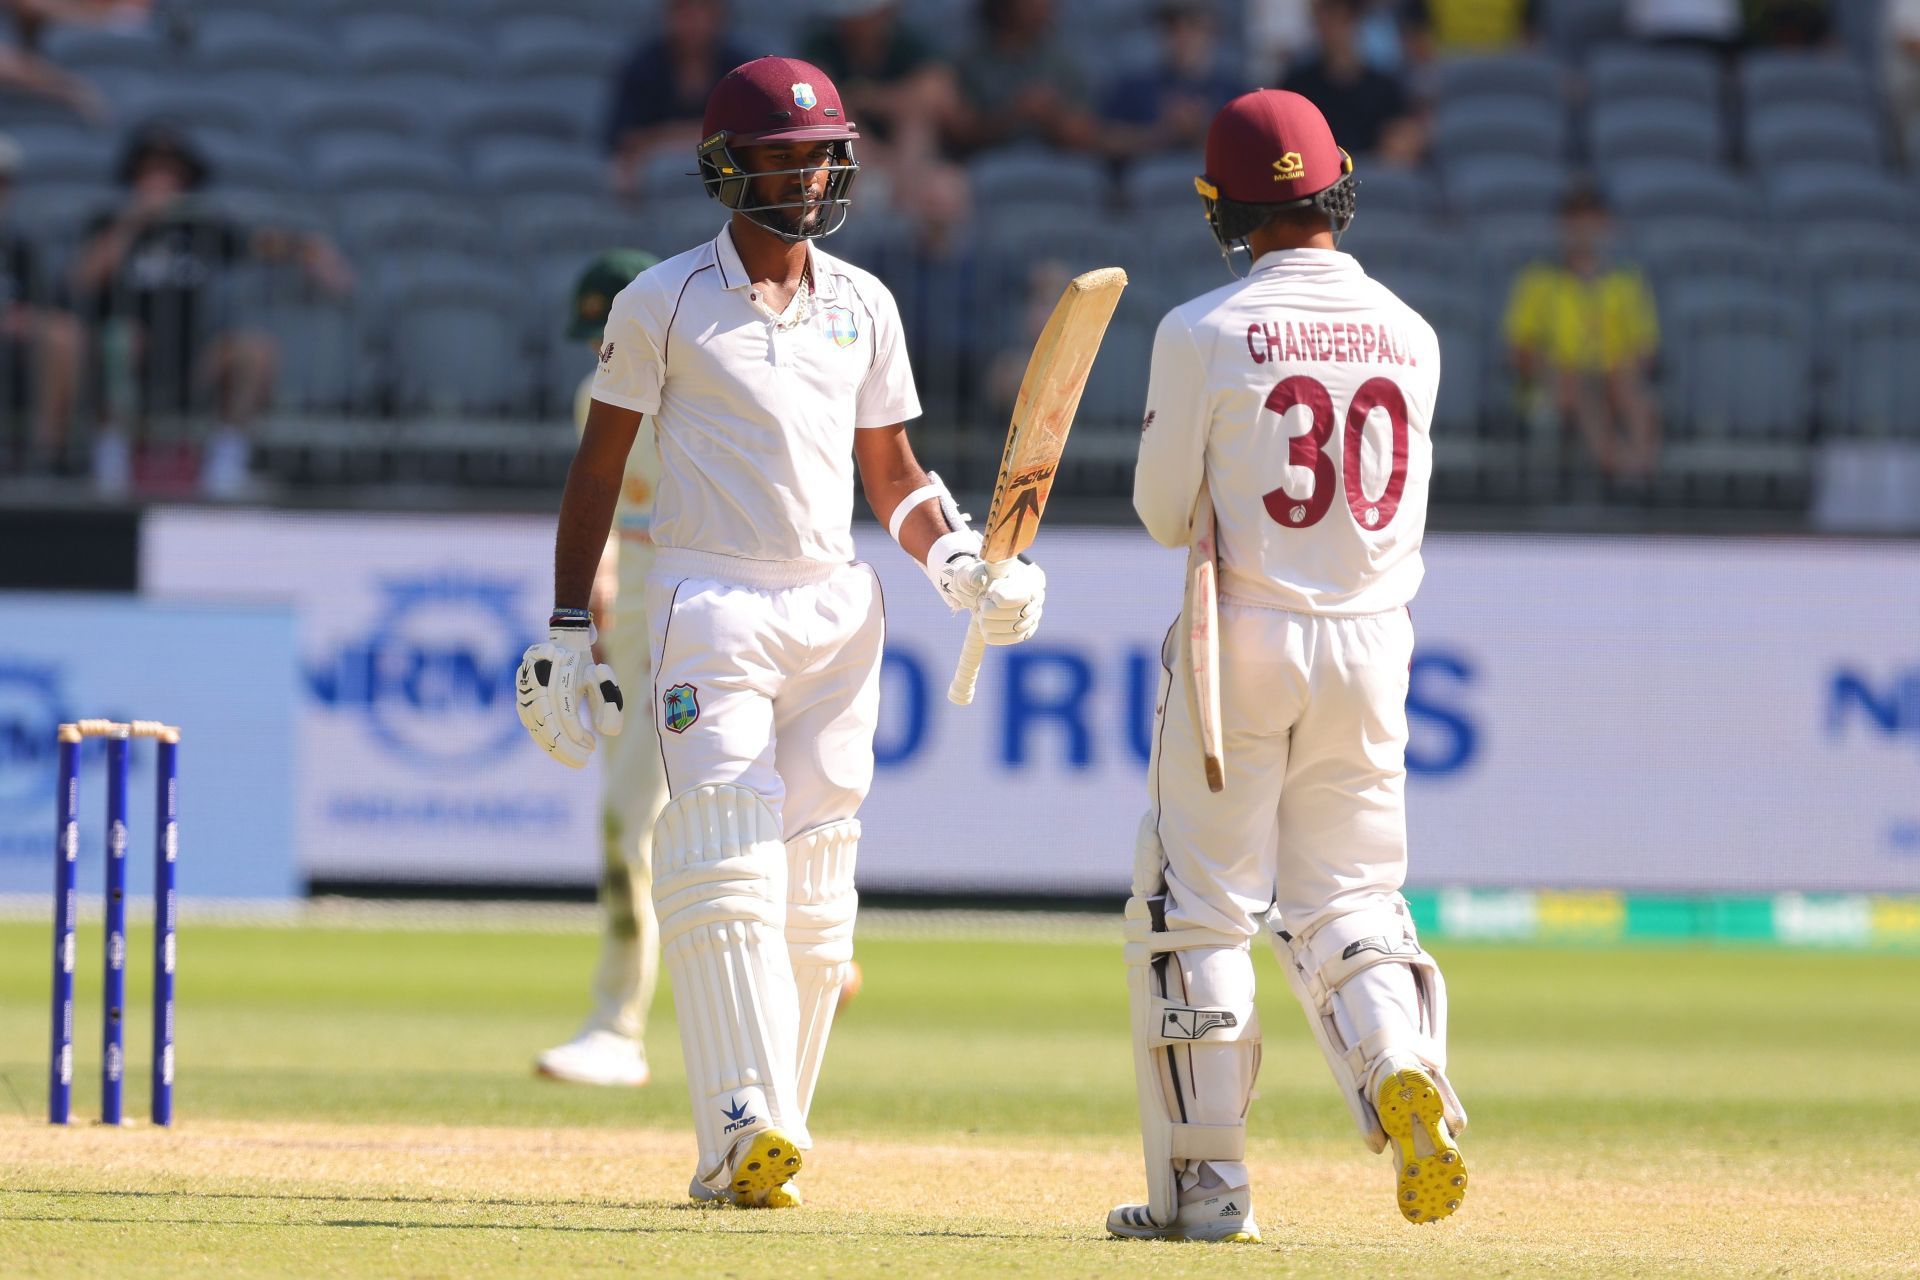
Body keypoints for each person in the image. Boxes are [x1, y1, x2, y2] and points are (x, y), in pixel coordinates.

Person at [514, 56, 1046, 1208]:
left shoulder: (864, 303)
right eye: (787, 155)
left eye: (824, 154)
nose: (810, 175)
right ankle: (736, 1127)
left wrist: (955, 557)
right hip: (709, 604)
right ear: (726, 167)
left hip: (837, 606)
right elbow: (597, 470)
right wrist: (567, 622)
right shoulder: (661, 299)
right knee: (722, 861)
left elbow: (894, 472)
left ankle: (771, 1135)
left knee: (818, 893)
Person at [1109, 89, 1467, 1243]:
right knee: (1350, 895)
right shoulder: (1413, 330)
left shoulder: (1203, 328)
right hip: (1374, 639)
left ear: (1224, 207)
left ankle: (1205, 1194)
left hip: (1242, 630)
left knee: (1198, 910)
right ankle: (1401, 1057)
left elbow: (1167, 514)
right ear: (1337, 189)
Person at [70, 120, 351, 496]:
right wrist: (132, 222)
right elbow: (83, 279)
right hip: (127, 360)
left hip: (191, 362)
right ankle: (110, 463)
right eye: (151, 171)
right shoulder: (107, 223)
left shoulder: (200, 226)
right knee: (121, 340)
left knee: (255, 351)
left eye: (171, 173)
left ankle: (226, 466)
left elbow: (259, 243)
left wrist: (310, 249)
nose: (161, 182)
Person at [1503, 185, 1660, 481]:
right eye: (1575, 220)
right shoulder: (1537, 281)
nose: (1584, 229)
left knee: (1633, 391)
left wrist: (1622, 368)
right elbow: (1517, 349)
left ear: (1607, 226)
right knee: (1578, 390)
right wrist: (1549, 367)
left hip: (1612, 375)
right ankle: (1620, 471)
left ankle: (1640, 466)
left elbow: (1646, 349)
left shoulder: (1628, 282)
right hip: (1554, 383)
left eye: (1593, 219)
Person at [602, 0, 752, 197]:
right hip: (650, 170)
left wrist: (660, 139)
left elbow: (751, 134)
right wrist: (705, 135)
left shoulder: (741, 68)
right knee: (619, 176)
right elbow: (626, 139)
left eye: (702, 10)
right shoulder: (643, 66)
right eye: (683, 10)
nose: (692, 20)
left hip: (728, 165)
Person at [0, 133, 84, 474]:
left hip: (14, 357)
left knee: (64, 335)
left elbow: (45, 305)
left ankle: (42, 457)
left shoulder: (19, 249)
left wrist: (25, 319)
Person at [1099, 0, 1244, 160]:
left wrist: (1200, 131)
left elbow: (1252, 152)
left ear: (1213, 31)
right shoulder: (1133, 87)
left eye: (1193, 25)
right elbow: (1103, 139)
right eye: (1172, 26)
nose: (1183, 36)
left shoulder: (1235, 94)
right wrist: (1162, 134)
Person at [1281, 0, 1422, 165]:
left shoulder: (1385, 86)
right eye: (1323, 16)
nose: (1329, 26)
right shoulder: (1296, 87)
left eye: (1341, 17)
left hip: (1374, 178)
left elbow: (1405, 138)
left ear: (1355, 20)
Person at [950, 0, 1097, 154]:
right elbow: (962, 134)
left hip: (1059, 158)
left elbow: (1087, 135)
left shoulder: (1064, 64)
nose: (1045, 4)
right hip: (989, 158)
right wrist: (1015, 114)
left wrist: (1052, 116)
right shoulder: (970, 62)